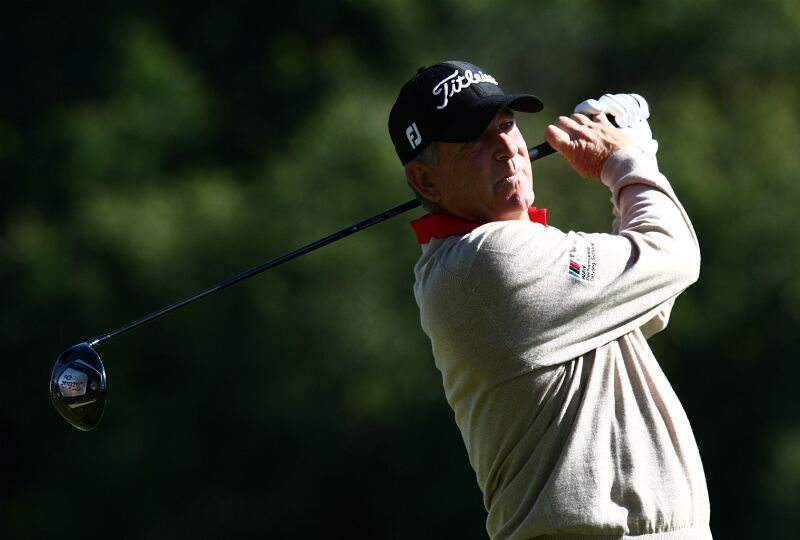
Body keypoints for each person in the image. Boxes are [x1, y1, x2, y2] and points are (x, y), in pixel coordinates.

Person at [388, 60, 711, 539]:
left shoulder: (493, 255)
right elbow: (673, 256)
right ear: (426, 181)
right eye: (472, 139)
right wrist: (627, 162)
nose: (505, 148)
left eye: (505, 125)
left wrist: (635, 164)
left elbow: (650, 297)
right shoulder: (484, 261)